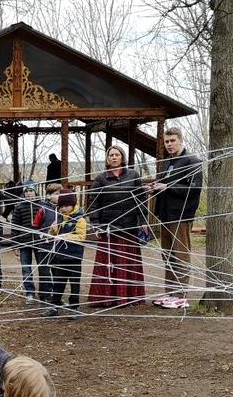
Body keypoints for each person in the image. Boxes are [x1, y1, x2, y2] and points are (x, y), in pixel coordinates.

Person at [86, 146, 148, 307]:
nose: (114, 157)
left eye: (117, 155)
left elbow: (141, 201)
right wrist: (96, 225)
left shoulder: (133, 176)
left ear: (122, 157)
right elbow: (93, 204)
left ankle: (129, 297)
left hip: (128, 228)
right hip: (108, 228)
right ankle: (105, 298)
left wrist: (143, 222)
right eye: (111, 155)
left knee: (127, 263)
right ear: (107, 159)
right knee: (109, 263)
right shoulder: (101, 179)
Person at [149, 128, 202, 309]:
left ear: (181, 140)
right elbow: (164, 184)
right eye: (167, 142)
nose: (169, 144)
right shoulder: (167, 163)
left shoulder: (192, 161)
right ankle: (170, 292)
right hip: (165, 215)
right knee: (167, 255)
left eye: (172, 141)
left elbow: (194, 189)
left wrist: (167, 187)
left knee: (180, 255)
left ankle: (180, 294)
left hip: (181, 215)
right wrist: (154, 187)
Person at [45, 188, 86, 316]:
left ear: (73, 205)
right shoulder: (61, 220)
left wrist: (65, 236)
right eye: (61, 206)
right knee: (58, 283)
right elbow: (54, 234)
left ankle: (74, 308)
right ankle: (55, 306)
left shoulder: (80, 220)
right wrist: (52, 231)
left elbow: (81, 237)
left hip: (74, 258)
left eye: (66, 206)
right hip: (60, 257)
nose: (63, 209)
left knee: (74, 284)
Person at [11, 180, 43, 302]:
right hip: (24, 241)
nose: (29, 194)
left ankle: (45, 291)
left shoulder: (42, 205)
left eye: (31, 191)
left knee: (43, 267)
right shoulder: (19, 207)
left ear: (35, 192)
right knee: (26, 268)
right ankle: (29, 292)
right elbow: (15, 227)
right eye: (27, 191)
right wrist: (15, 244)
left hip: (40, 241)